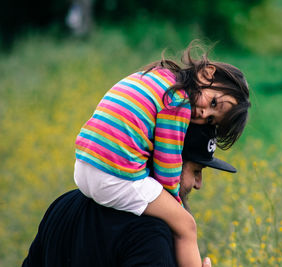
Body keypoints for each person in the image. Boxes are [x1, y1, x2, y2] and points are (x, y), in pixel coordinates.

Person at [74, 41, 250, 266]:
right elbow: (168, 169)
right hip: (113, 178)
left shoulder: (158, 76)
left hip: (84, 165)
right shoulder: (178, 103)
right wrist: (176, 208)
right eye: (213, 102)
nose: (203, 113)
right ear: (207, 73)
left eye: (210, 119)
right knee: (186, 227)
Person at [22, 123, 237, 267]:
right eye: (196, 171)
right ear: (167, 163)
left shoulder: (63, 206)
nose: (198, 184)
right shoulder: (150, 234)